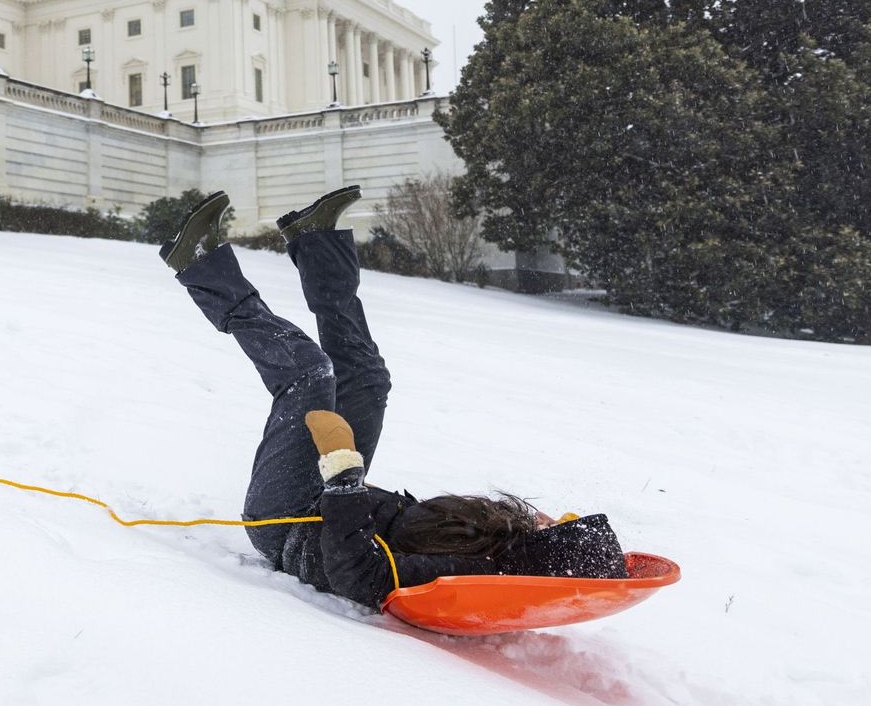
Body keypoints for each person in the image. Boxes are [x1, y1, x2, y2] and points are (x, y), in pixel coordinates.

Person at [160, 186, 628, 610]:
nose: (550, 519)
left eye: (559, 528)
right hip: (327, 498)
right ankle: (316, 239)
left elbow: (359, 573)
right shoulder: (504, 537)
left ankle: (199, 262)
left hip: (287, 522)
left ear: (548, 554)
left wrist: (344, 477)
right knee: (367, 378)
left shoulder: (478, 573)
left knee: (309, 373)